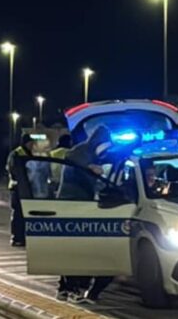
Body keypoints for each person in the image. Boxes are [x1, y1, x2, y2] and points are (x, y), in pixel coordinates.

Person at [56, 126, 115, 304]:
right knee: (76, 248)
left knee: (77, 248)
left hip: (83, 205)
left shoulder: (94, 154)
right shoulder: (82, 151)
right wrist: (92, 167)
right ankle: (71, 288)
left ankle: (68, 288)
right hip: (71, 205)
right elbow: (73, 158)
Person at [6, 134, 35, 247]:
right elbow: (12, 169)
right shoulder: (16, 154)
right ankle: (16, 237)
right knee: (18, 213)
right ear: (26, 143)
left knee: (25, 214)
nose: (32, 145)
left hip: (25, 187)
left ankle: (23, 236)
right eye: (31, 143)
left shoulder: (28, 153)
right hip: (17, 187)